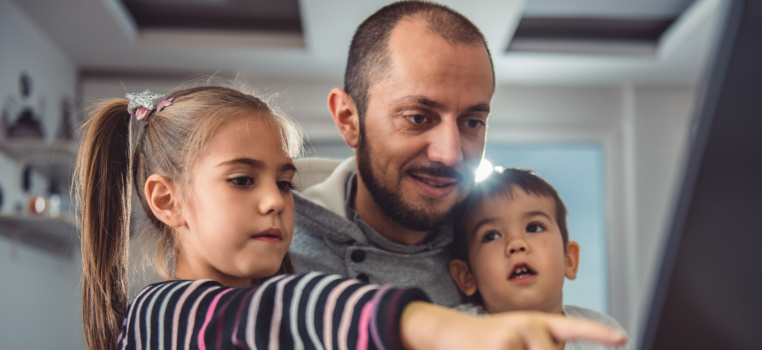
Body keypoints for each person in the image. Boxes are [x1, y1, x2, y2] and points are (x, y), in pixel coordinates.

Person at [75, 86, 627, 350]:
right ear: (166, 201)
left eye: (285, 183)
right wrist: (445, 328)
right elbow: (287, 311)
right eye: (243, 180)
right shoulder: (162, 315)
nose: (274, 201)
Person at [290, 0, 493, 307]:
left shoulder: (498, 248)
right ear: (348, 119)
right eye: (417, 117)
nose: (450, 155)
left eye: (472, 122)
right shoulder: (271, 251)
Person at [449, 168, 632, 350]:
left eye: (534, 228)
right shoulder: (458, 335)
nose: (516, 244)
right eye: (491, 236)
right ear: (467, 276)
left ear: (569, 260)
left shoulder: (603, 335)